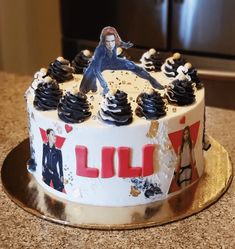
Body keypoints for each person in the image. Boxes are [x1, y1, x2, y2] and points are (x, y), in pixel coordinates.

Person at [79, 26, 164, 95]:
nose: (110, 44)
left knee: (134, 66)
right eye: (107, 41)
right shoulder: (100, 50)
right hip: (101, 64)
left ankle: (152, 81)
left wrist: (126, 45)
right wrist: (104, 85)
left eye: (112, 41)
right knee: (86, 82)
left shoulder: (115, 41)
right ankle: (88, 88)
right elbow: (96, 69)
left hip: (114, 61)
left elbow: (120, 43)